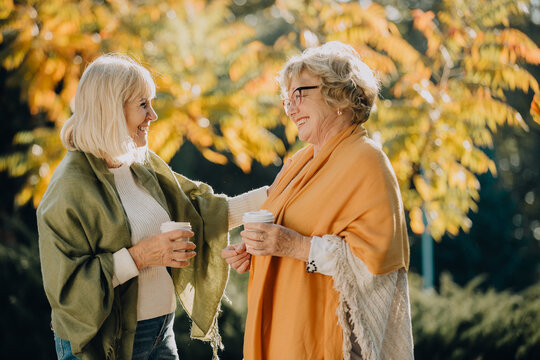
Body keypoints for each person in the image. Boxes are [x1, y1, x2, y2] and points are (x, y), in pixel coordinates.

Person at [37, 54, 267, 360]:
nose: (153, 115)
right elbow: (66, 289)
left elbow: (202, 213)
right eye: (143, 104)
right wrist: (142, 256)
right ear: (111, 109)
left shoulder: (139, 165)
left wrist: (276, 192)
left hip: (161, 332)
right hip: (110, 344)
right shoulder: (69, 188)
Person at [222, 41, 414, 360]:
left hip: (322, 341)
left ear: (338, 95)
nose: (290, 108)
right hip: (283, 330)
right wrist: (255, 251)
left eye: (299, 94)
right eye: (287, 98)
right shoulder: (299, 162)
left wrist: (293, 246)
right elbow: (286, 229)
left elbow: (374, 263)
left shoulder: (366, 160)